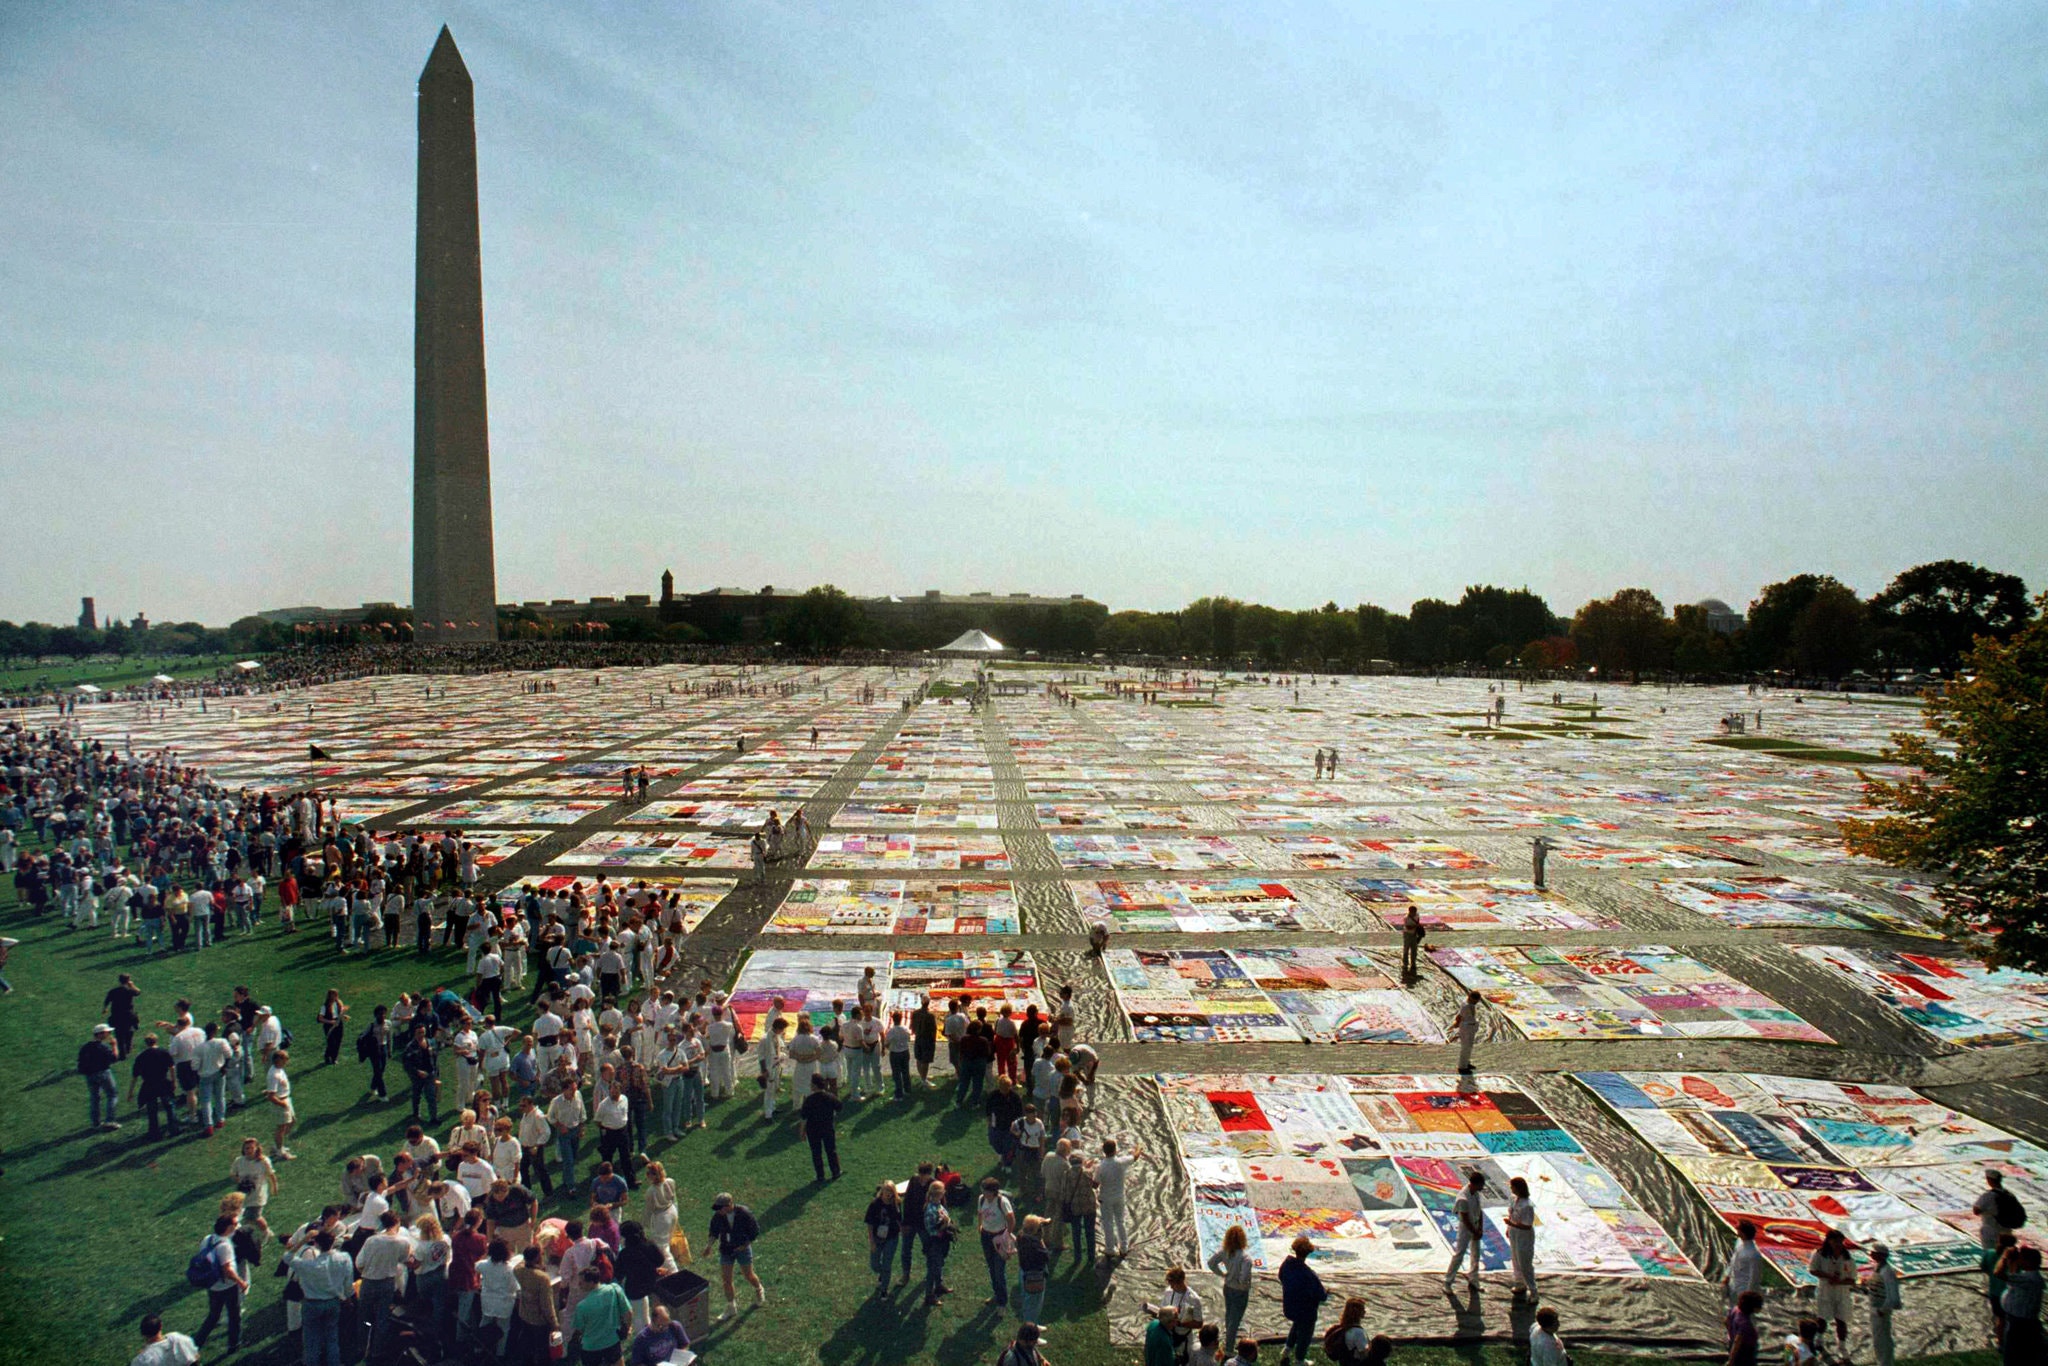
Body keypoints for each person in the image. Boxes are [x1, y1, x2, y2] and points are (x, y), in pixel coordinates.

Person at [191, 1213, 248, 1353]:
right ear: (228, 1227)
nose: (236, 1226)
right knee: (234, 1316)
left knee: (213, 1316)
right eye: (234, 1224)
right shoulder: (225, 1245)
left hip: (212, 1285)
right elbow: (227, 1269)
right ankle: (233, 1344)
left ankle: (196, 1343)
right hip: (227, 1286)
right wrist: (241, 1282)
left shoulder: (208, 1239)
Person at [709, 1192, 766, 1319]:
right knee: (726, 1280)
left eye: (721, 1208)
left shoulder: (744, 1213)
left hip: (742, 1248)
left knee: (748, 1275)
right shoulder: (718, 1216)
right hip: (726, 1249)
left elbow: (754, 1231)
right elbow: (713, 1231)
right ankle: (731, 1307)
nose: (718, 1211)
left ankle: (759, 1289)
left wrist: (745, 1245)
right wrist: (709, 1246)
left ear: (729, 1205)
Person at [1276, 1235, 1327, 1366]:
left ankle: (1287, 1349)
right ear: (1308, 1253)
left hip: (1290, 1306)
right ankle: (1299, 1360)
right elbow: (1322, 1296)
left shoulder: (1286, 1264)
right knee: (1305, 1336)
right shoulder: (1309, 1275)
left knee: (1296, 1325)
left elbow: (1281, 1276)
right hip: (1306, 1311)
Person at [569, 1267, 633, 1366]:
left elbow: (580, 1329)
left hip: (591, 1347)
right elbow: (628, 1312)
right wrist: (626, 1329)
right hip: (612, 1341)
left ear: (590, 1282)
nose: (579, 1285)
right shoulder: (615, 1289)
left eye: (581, 1282)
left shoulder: (582, 1306)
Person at [510, 1244, 560, 1366]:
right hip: (539, 1319)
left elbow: (521, 1264)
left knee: (527, 1344)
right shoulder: (542, 1278)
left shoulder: (518, 1270)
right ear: (537, 1258)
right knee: (542, 1349)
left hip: (524, 1314)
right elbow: (546, 1304)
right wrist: (554, 1323)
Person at [1207, 1223, 1254, 1354]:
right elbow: (1243, 1277)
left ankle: (1228, 1340)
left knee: (1229, 1315)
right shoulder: (1246, 1258)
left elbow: (1211, 1263)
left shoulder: (1224, 1252)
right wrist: (1241, 1280)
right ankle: (1229, 1349)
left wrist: (1222, 1274)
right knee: (1235, 1319)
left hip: (1228, 1287)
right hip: (1240, 1291)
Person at [1807, 1227, 1855, 1355]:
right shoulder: (1820, 1254)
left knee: (1841, 1320)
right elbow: (1812, 1269)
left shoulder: (1847, 1257)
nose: (1838, 1245)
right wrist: (1828, 1276)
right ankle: (1819, 1339)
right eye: (1835, 1241)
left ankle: (1842, 1346)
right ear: (1829, 1241)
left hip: (1842, 1293)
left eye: (1840, 1242)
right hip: (1825, 1291)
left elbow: (1853, 1279)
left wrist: (1839, 1282)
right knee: (1822, 1318)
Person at [614, 1221, 667, 1334]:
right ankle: (659, 1331)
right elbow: (660, 1260)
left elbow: (619, 1273)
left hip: (634, 1286)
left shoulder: (624, 1253)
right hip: (653, 1281)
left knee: (639, 1316)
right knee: (658, 1311)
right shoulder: (649, 1245)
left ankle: (644, 1338)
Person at [1144, 1266, 1204, 1361]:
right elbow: (1162, 1309)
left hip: (1183, 1338)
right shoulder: (1169, 1292)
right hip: (1167, 1334)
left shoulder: (1193, 1299)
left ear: (1180, 1282)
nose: (1171, 1287)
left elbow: (1199, 1323)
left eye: (1173, 1284)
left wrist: (1179, 1323)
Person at [1097, 1138, 1142, 1258]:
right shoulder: (1121, 1162)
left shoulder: (1101, 1166)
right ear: (1115, 1150)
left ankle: (1110, 1248)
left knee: (1108, 1223)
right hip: (1119, 1196)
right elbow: (1135, 1157)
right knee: (1120, 1221)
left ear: (1104, 1151)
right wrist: (1139, 1148)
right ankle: (1124, 1247)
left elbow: (1095, 1184)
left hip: (1106, 1197)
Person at [130, 1032, 179, 1139]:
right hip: (163, 1082)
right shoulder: (163, 1052)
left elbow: (135, 1076)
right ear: (156, 1040)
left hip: (149, 1084)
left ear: (146, 1043)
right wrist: (173, 1081)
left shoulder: (141, 1056)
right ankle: (174, 1129)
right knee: (169, 1106)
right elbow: (172, 1067)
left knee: (152, 1110)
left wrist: (131, 1092)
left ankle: (154, 1133)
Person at [1443, 1169, 1486, 1290]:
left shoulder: (1476, 1193)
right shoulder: (1463, 1198)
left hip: (1476, 1226)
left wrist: (1480, 1229)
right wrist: (1475, 1231)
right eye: (1481, 1184)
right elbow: (1465, 1219)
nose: (1482, 1187)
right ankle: (1447, 1282)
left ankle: (1473, 1278)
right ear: (1475, 1184)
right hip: (1466, 1228)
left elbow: (1479, 1211)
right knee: (1459, 1254)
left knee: (1476, 1254)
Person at [798, 1073, 843, 1181]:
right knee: (831, 1150)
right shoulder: (830, 1097)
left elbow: (804, 1118)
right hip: (827, 1128)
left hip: (813, 1130)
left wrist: (802, 1132)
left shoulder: (809, 1100)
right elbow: (839, 1107)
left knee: (816, 1153)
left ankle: (820, 1175)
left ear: (814, 1085)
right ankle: (835, 1172)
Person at [2004, 1246, 2044, 1365]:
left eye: (2021, 1259)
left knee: (2015, 1356)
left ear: (2028, 1262)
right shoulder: (2030, 1277)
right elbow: (2013, 1276)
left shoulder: (2029, 1278)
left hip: (2021, 1324)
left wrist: (2005, 1257)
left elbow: (1999, 1274)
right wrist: (2013, 1262)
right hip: (2021, 1322)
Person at [1865, 1242, 1902, 1366]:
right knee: (1878, 1339)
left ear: (1880, 1255)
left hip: (1880, 1310)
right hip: (1876, 1308)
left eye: (1873, 1252)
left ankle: (1885, 1363)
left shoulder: (1887, 1271)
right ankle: (1882, 1362)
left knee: (1883, 1339)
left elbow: (1892, 1294)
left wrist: (1883, 1310)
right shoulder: (1879, 1269)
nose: (1871, 1254)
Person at [922, 1181, 957, 1307]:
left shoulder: (938, 1205)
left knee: (940, 1264)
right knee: (933, 1268)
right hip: (934, 1243)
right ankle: (929, 1296)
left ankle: (939, 1286)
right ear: (939, 1194)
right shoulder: (930, 1209)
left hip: (942, 1242)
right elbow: (931, 1231)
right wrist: (944, 1225)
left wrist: (948, 1223)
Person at [81, 1022, 121, 1130]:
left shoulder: (85, 1047)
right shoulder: (103, 1047)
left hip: (90, 1075)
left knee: (95, 1098)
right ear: (100, 1034)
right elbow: (114, 1058)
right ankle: (110, 1121)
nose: (109, 1034)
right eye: (107, 1033)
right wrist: (114, 1045)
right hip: (103, 1073)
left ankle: (95, 1122)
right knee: (112, 1095)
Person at [866, 1182, 904, 1295]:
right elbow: (869, 1224)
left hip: (891, 1237)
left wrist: (902, 1229)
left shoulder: (896, 1203)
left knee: (887, 1264)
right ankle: (883, 1274)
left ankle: (884, 1288)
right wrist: (872, 1241)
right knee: (875, 1265)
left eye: (891, 1191)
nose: (888, 1194)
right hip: (877, 1238)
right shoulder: (874, 1204)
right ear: (882, 1191)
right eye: (886, 1191)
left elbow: (898, 1219)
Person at [1016, 1214, 1052, 1326]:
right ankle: (1031, 1330)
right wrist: (1041, 1240)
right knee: (1033, 1305)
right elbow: (1046, 1257)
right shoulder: (1034, 1244)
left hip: (1025, 1273)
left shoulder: (1021, 1237)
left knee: (1028, 1302)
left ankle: (1033, 1325)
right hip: (1034, 1276)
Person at [1505, 1175, 1537, 1299]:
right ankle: (1520, 1283)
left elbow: (1527, 1225)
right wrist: (1509, 1228)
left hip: (1524, 1236)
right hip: (1515, 1233)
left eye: (1512, 1186)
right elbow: (1512, 1214)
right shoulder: (1514, 1199)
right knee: (1515, 1259)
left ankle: (1533, 1291)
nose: (1511, 1188)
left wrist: (1511, 1224)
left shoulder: (1527, 1205)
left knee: (1525, 1263)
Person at [1980, 1169, 2028, 1248]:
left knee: (1991, 1253)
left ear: (1989, 1180)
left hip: (1991, 1232)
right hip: (2006, 1232)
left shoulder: (1988, 1196)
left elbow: (1977, 1210)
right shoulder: (2009, 1195)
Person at [1989, 1232, 2020, 1347]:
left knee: (2001, 1318)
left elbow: (1987, 1268)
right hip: (2011, 1293)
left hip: (1995, 1292)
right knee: (2011, 1318)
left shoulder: (1990, 1254)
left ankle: (2000, 1341)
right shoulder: (2015, 1258)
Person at [131, 1314, 198, 1366]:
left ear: (143, 1334)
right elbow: (194, 1359)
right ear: (161, 1326)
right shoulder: (178, 1339)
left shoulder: (140, 1360)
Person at [1724, 1219, 1763, 1305]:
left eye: (1739, 1229)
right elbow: (1733, 1260)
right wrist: (1727, 1275)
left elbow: (1755, 1276)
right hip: (1733, 1284)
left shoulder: (1753, 1253)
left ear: (1743, 1232)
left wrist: (1748, 1294)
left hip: (1743, 1288)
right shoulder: (1739, 1243)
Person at [1321, 1297, 1367, 1366]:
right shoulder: (1358, 1332)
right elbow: (1364, 1354)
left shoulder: (1342, 1328)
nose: (1365, 1311)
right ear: (1358, 1313)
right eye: (1363, 1309)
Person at [1725, 1289, 1763, 1366]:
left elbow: (1726, 1322)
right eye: (1759, 1306)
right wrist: (1730, 1361)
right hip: (1744, 1354)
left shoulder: (1735, 1310)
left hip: (1736, 1349)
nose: (1761, 1308)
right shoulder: (1745, 1324)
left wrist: (1731, 1334)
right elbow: (1737, 1342)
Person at [1451, 990, 1481, 1073]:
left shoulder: (1468, 1004)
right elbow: (1459, 1016)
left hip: (1470, 1027)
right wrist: (1457, 1023)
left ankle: (1467, 1062)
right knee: (1465, 1047)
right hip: (1466, 1027)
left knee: (1469, 1046)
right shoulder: (1466, 1006)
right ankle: (1462, 1067)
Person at [1400, 905, 1426, 978]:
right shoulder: (1406, 918)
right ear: (1410, 911)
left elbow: (1418, 921)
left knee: (1414, 949)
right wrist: (1416, 926)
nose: (1414, 913)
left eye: (1415, 912)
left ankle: (1413, 963)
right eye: (1413, 912)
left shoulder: (1417, 915)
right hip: (1407, 934)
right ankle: (1405, 964)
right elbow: (1408, 927)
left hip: (1414, 934)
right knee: (1406, 949)